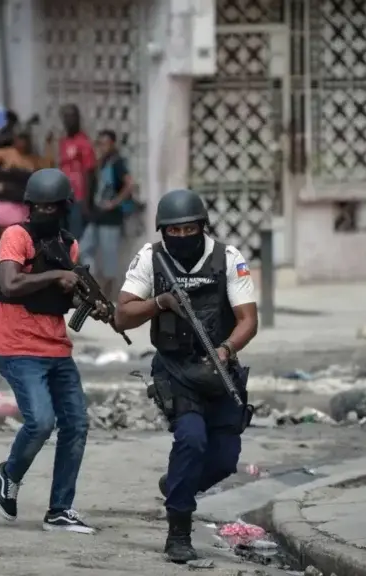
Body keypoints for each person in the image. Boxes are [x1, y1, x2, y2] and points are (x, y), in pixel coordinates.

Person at [112, 188, 259, 563]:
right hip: (176, 369)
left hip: (219, 368)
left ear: (201, 227)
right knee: (191, 440)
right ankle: (178, 534)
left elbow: (248, 320)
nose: (180, 237)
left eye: (188, 229)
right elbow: (122, 315)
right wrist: (159, 302)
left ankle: (176, 483)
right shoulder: (151, 257)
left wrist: (225, 350)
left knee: (225, 458)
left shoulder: (228, 257)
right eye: (172, 232)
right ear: (163, 232)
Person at [0, 168, 102, 535]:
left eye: (54, 207)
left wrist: (92, 303)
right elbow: (10, 282)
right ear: (30, 207)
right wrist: (56, 276)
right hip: (17, 346)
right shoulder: (15, 236)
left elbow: (66, 295)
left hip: (56, 348)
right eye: (41, 207)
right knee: (40, 421)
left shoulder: (69, 245)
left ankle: (60, 510)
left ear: (65, 207)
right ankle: (9, 473)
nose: (47, 213)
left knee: (76, 425)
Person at [78, 130, 134, 299]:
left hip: (111, 219)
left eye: (105, 143)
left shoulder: (117, 163)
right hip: (97, 217)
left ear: (112, 145)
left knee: (110, 259)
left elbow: (129, 184)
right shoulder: (100, 163)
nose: (101, 147)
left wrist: (114, 202)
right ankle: (94, 282)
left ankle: (108, 296)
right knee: (83, 249)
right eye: (99, 143)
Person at [0, 128, 48, 232]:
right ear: (15, 139)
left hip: (25, 207)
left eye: (26, 138)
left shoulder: (33, 159)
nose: (23, 142)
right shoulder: (6, 153)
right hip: (6, 205)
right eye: (20, 138)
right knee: (8, 242)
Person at [57, 104, 96, 239]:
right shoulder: (63, 141)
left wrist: (86, 201)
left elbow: (89, 172)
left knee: (75, 238)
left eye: (72, 116)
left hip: (78, 198)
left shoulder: (84, 142)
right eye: (66, 117)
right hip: (63, 196)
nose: (69, 120)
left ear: (78, 118)